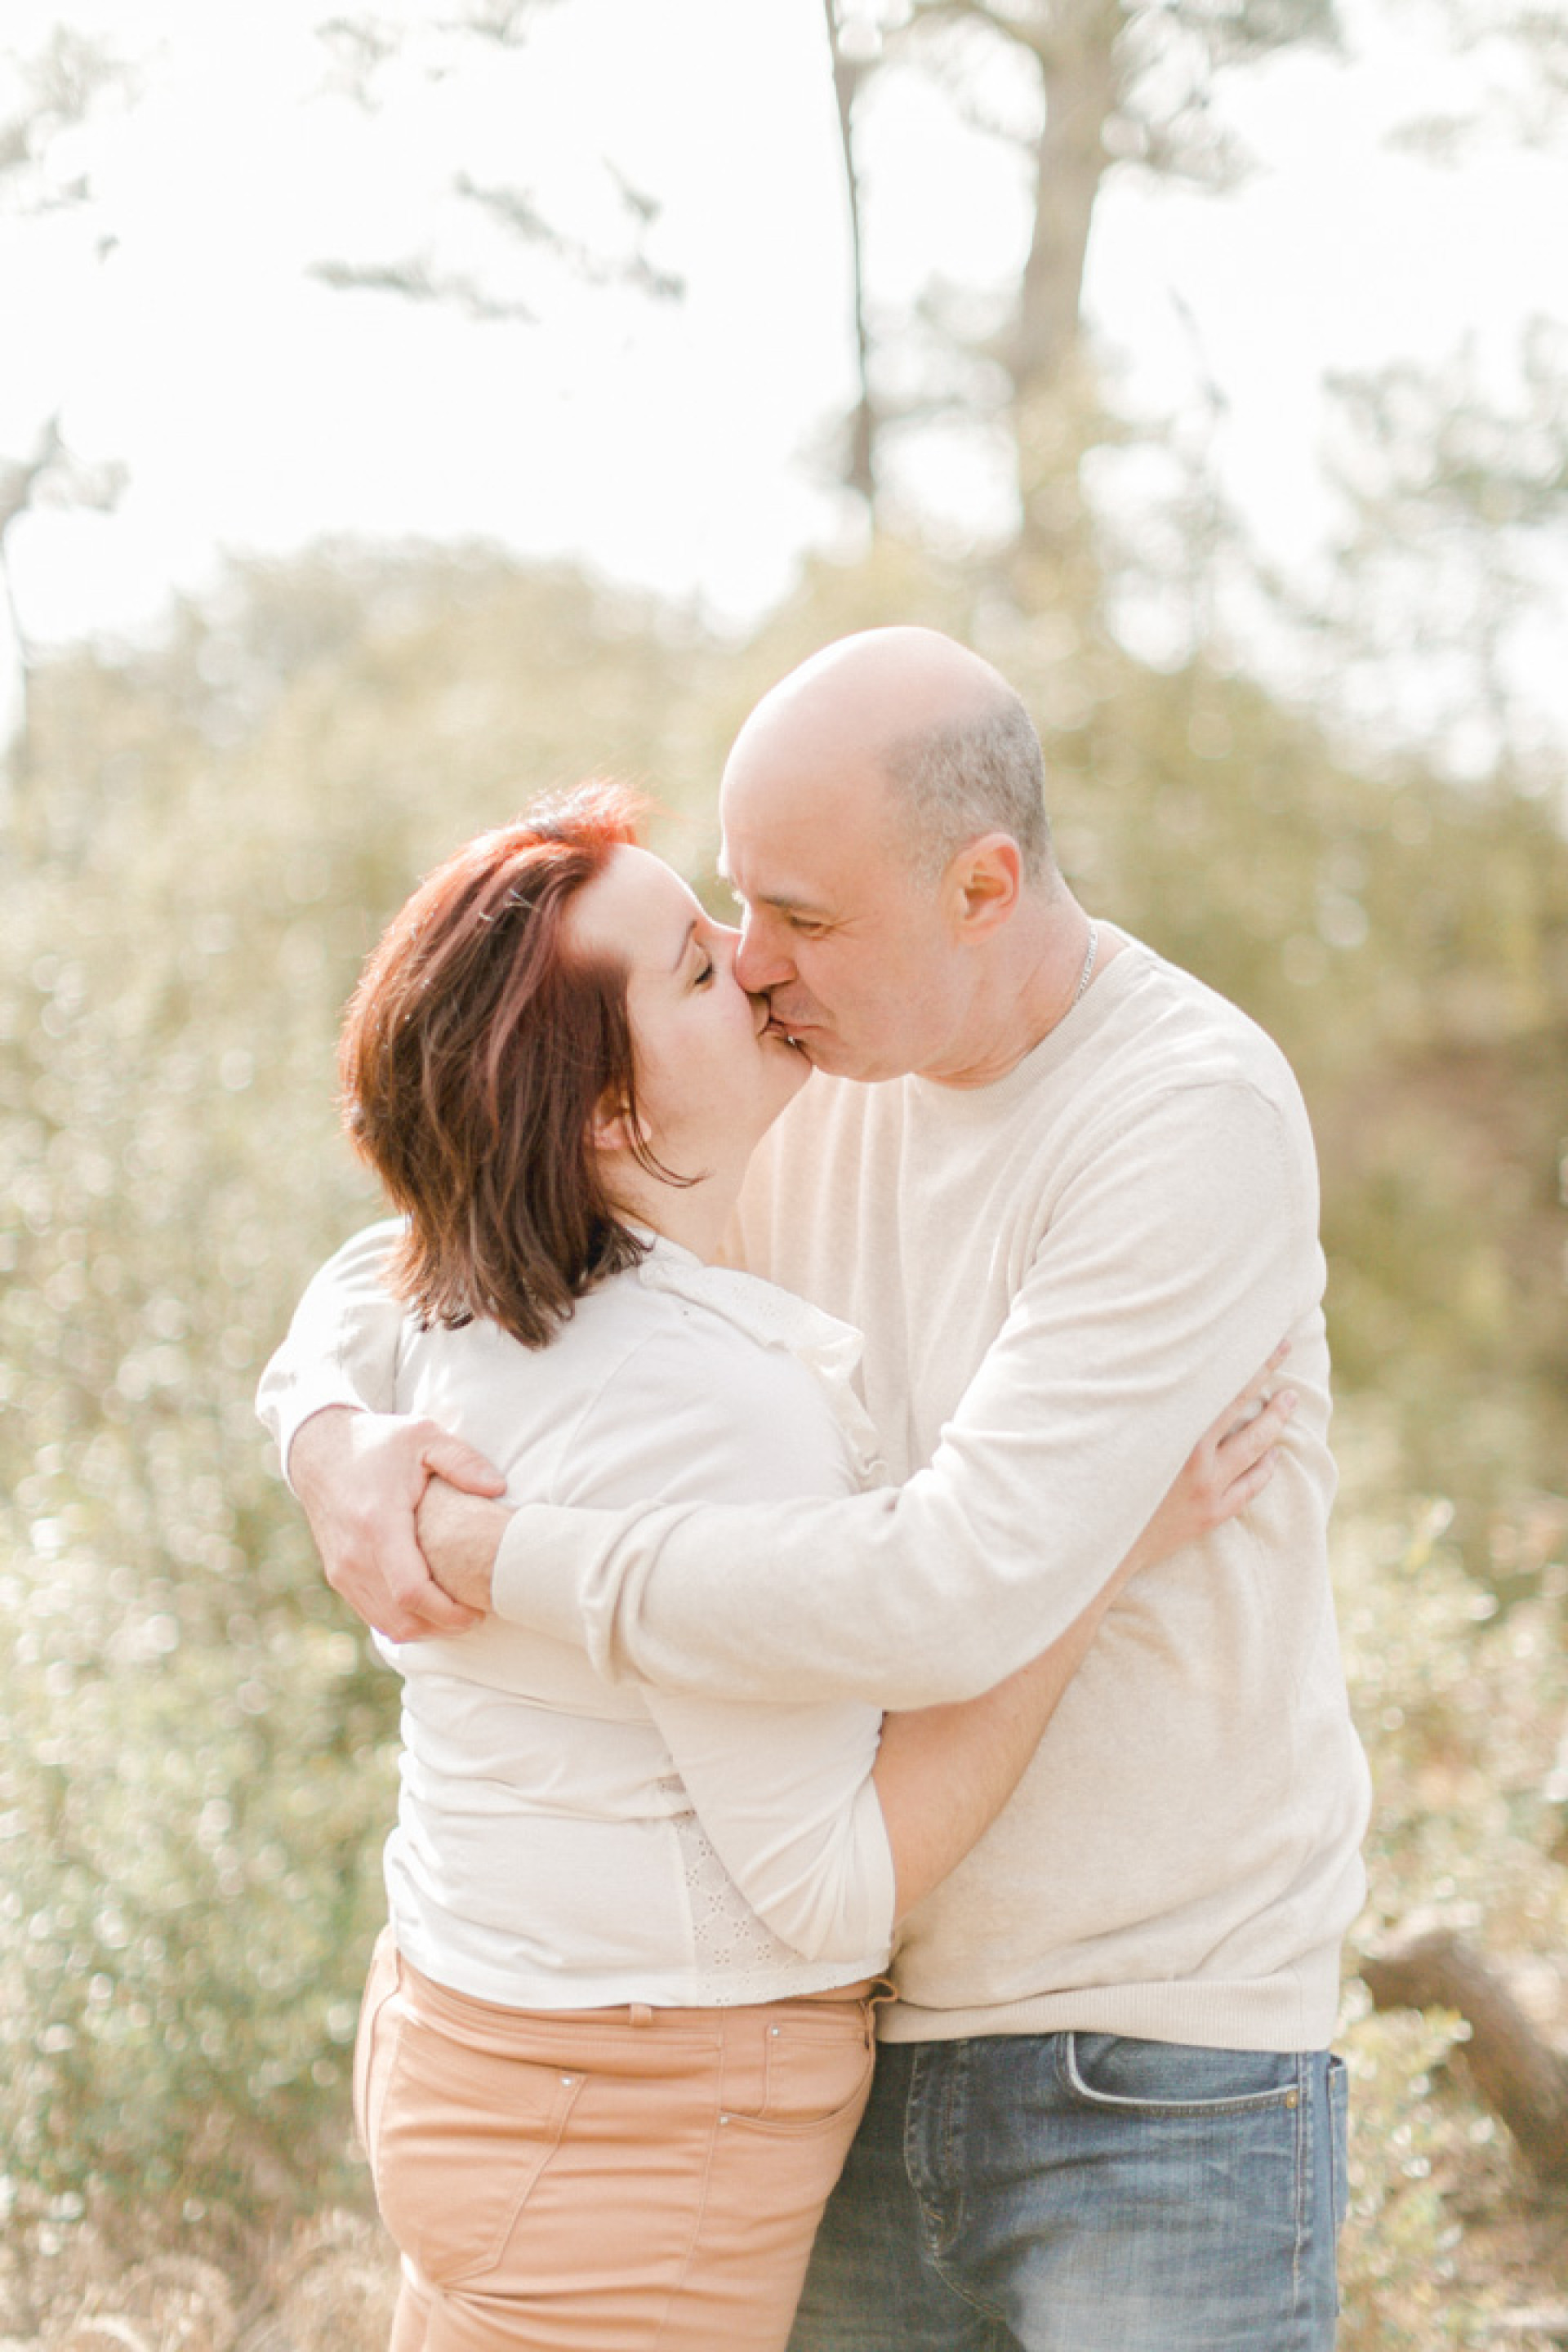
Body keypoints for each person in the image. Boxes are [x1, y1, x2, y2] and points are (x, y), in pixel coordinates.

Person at [261, 626, 1370, 2352]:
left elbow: (947, 1591)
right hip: (836, 2036)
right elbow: (451, 1216)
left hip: (1146, 2061)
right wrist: (327, 1435)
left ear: (985, 883)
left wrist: (497, 1552)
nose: (758, 963)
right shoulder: (801, 1077)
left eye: (807, 919)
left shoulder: (1182, 1114)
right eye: (738, 909)